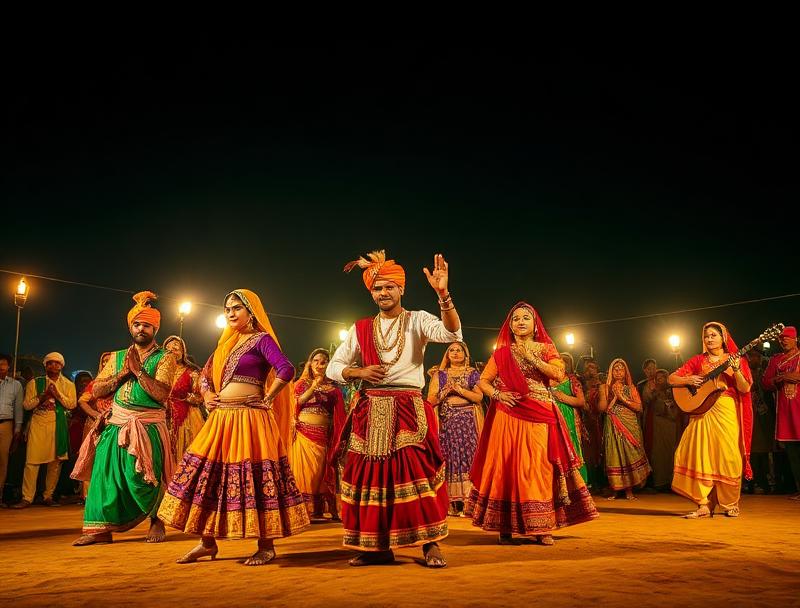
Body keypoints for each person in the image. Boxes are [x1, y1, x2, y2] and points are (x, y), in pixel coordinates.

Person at [327, 251, 459, 567]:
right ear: (371, 292)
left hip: (409, 407)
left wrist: (443, 295)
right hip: (370, 409)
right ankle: (376, 547)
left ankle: (430, 545)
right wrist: (357, 372)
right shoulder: (360, 329)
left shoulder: (418, 319)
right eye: (377, 288)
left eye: (389, 287)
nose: (383, 293)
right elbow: (334, 366)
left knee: (417, 472)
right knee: (369, 477)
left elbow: (452, 333)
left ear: (401, 289)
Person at [158, 289, 309, 565]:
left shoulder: (261, 340)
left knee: (256, 478)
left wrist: (268, 397)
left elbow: (286, 369)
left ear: (251, 312)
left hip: (251, 420)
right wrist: (206, 395)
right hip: (220, 419)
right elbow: (204, 376)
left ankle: (266, 545)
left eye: (237, 308)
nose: (230, 313)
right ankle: (206, 543)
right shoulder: (223, 346)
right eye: (227, 308)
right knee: (208, 476)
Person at [465, 302, 598, 546]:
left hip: (539, 414)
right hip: (507, 415)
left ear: (535, 324)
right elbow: (484, 381)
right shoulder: (502, 353)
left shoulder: (547, 349)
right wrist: (497, 395)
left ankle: (542, 526)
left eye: (526, 317)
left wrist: (531, 357)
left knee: (539, 467)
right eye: (515, 318)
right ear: (510, 325)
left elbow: (558, 375)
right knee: (506, 467)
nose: (521, 321)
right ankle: (504, 526)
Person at [71, 291, 177, 544]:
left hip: (147, 424)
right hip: (116, 424)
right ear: (131, 327)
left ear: (155, 328)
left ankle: (157, 522)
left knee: (147, 478)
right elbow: (96, 390)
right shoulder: (117, 357)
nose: (141, 329)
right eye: (137, 324)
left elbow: (162, 393)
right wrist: (121, 375)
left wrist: (139, 372)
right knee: (104, 477)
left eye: (146, 325)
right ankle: (100, 530)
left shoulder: (165, 357)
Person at [670, 322, 752, 518]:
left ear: (723, 337)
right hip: (702, 411)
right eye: (706, 336)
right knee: (698, 454)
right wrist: (688, 380)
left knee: (727, 455)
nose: (709, 339)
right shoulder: (698, 360)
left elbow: (745, 388)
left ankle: (730, 503)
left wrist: (737, 370)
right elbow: (672, 378)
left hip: (725, 410)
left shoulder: (735, 358)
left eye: (713, 335)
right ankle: (704, 504)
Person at [427, 341, 484, 516]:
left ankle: (470, 502)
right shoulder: (440, 375)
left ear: (466, 355)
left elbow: (478, 397)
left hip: (468, 423)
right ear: (447, 354)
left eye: (459, 350)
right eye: (451, 350)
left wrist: (459, 389)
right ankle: (452, 503)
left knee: (469, 457)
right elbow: (430, 400)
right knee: (450, 458)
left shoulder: (472, 373)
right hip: (447, 422)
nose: (455, 352)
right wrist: (445, 393)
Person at [13, 352, 77, 508]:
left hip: (57, 424)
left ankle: (48, 496)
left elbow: (72, 404)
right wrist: (42, 398)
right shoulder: (35, 383)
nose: (54, 365)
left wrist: (57, 395)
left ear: (62, 366)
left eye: (57, 363)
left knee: (55, 462)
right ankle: (27, 497)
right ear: (45, 365)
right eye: (50, 363)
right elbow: (27, 405)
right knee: (32, 461)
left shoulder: (68, 384)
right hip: (38, 424)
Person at [290, 348, 345, 520]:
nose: (320, 365)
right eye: (316, 361)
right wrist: (314, 386)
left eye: (324, 362)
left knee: (321, 475)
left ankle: (321, 510)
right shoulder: (301, 384)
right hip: (303, 436)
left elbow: (340, 416)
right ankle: (305, 510)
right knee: (306, 474)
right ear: (310, 363)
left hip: (324, 438)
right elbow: (297, 402)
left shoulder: (333, 389)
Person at [598, 358, 650, 500]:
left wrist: (621, 397)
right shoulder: (604, 387)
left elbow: (639, 407)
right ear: (610, 371)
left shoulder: (631, 388)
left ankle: (629, 490)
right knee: (614, 453)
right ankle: (615, 489)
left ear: (626, 371)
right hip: (612, 423)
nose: (618, 371)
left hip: (629, 424)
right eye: (615, 369)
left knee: (629, 453)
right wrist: (610, 396)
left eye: (621, 369)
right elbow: (602, 409)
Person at [762, 326, 800, 498]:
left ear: (795, 339)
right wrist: (785, 377)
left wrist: (786, 376)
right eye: (780, 339)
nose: (783, 340)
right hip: (786, 412)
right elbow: (766, 383)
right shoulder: (776, 359)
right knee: (793, 453)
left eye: (787, 338)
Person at [75, 352, 114, 501]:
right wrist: (95, 414)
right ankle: (88, 497)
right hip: (95, 425)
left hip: (114, 425)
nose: (106, 364)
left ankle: (106, 496)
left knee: (110, 460)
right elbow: (82, 401)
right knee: (91, 458)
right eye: (104, 361)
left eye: (110, 361)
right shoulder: (96, 383)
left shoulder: (120, 382)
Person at [162, 335, 205, 461]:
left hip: (186, 418)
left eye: (176, 348)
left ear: (183, 352)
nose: (172, 351)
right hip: (161, 416)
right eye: (168, 349)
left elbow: (200, 396)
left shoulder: (192, 372)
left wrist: (189, 397)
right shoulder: (158, 371)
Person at [550, 352, 588, 481]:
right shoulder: (546, 380)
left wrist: (562, 397)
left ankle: (577, 484)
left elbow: (581, 402)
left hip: (569, 418)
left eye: (564, 362)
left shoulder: (572, 381)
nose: (561, 365)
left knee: (571, 448)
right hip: (551, 418)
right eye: (558, 362)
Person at [642, 369, 681, 490]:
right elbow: (646, 399)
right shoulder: (651, 390)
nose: (659, 380)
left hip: (671, 425)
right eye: (657, 378)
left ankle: (671, 482)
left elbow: (678, 406)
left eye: (662, 378)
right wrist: (653, 391)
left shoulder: (673, 391)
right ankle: (659, 482)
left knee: (671, 453)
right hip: (657, 426)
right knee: (658, 453)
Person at [0, 353, 24, 507]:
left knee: (3, 461)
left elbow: (18, 409)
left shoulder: (16, 385)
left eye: (4, 364)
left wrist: (18, 429)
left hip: (6, 424)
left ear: (8, 366)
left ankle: (0, 496)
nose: (1, 367)